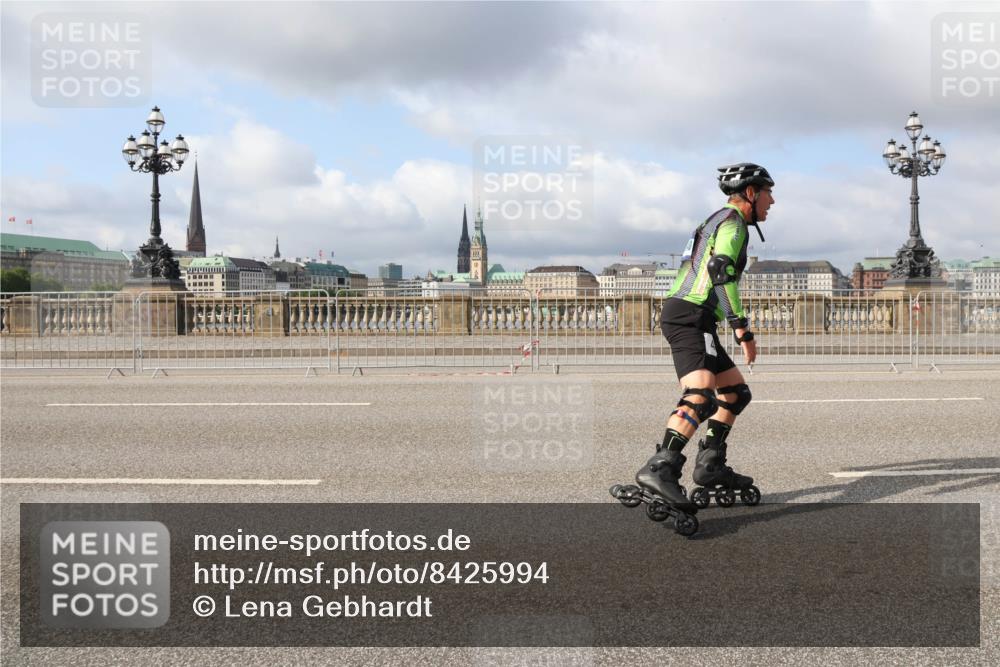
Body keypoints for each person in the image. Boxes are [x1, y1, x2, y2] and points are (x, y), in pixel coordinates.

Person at [635, 163, 774, 513]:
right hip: (690, 316)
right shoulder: (733, 223)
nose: (772, 201)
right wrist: (742, 327)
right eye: (768, 192)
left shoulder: (714, 219)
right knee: (699, 397)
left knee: (735, 394)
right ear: (751, 193)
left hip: (696, 317)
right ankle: (660, 469)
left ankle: (710, 465)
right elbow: (720, 271)